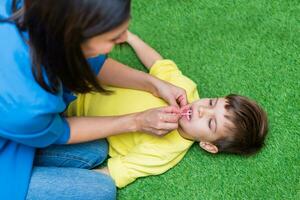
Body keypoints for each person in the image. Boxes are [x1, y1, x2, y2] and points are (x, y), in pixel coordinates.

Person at [0, 0, 188, 199]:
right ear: (73, 37)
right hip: (13, 133)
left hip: (16, 128)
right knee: (100, 190)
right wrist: (137, 121)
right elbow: (61, 131)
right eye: (114, 36)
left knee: (96, 149)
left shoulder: (37, 14)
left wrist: (154, 84)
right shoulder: (27, 104)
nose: (124, 38)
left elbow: (92, 64)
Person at [67, 31, 269, 188]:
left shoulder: (165, 152)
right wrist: (131, 37)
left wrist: (63, 185)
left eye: (210, 122)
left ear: (208, 145)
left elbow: (117, 171)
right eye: (211, 103)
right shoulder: (185, 88)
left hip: (71, 118)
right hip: (82, 78)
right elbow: (159, 64)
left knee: (96, 153)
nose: (201, 110)